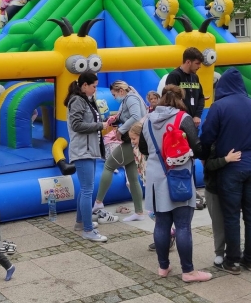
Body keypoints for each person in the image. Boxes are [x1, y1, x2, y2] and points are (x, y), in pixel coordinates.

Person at [138, 84, 211, 282]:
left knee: (161, 224)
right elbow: (197, 147)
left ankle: (163, 267)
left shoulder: (148, 120)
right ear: (181, 99)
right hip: (179, 177)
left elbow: (144, 148)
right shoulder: (183, 118)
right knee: (183, 226)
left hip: (155, 177)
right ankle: (188, 271)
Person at [200, 68, 251, 274]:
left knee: (231, 216)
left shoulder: (219, 106)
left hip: (230, 168)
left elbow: (208, 136)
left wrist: (205, 155)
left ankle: (233, 261)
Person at [65, 72, 113, 242]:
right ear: (84, 85)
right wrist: (101, 125)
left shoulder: (85, 99)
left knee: (85, 189)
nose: (95, 89)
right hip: (83, 151)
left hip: (88, 150)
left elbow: (89, 121)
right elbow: (77, 125)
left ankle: (81, 222)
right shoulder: (78, 100)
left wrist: (105, 121)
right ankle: (87, 230)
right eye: (94, 86)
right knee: (87, 190)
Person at [94, 81, 147, 222]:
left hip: (132, 141)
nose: (114, 97)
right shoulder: (130, 99)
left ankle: (98, 202)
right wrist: (116, 119)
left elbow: (136, 117)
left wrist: (121, 130)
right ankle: (139, 212)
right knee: (132, 176)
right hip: (134, 140)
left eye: (114, 94)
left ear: (121, 91)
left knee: (109, 165)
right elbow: (131, 116)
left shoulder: (130, 98)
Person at [202, 143, 241, 268]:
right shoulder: (213, 141)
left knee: (233, 221)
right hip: (214, 187)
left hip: (232, 186)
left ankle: (234, 250)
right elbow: (208, 165)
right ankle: (219, 252)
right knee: (218, 222)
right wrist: (226, 160)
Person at [165, 47, 204, 128]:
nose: (200, 66)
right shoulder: (174, 76)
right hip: (179, 123)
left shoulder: (195, 77)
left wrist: (197, 115)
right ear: (188, 62)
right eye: (197, 63)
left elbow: (201, 97)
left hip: (193, 123)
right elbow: (170, 100)